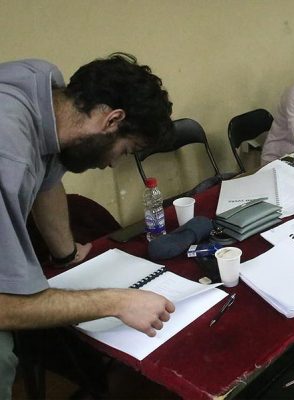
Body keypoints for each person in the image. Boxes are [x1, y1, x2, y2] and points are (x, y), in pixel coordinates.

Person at [0, 53, 175, 397]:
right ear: (113, 120)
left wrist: (66, 256)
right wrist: (116, 302)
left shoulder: (47, 90)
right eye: (125, 150)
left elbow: (48, 179)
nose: (113, 164)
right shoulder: (9, 155)